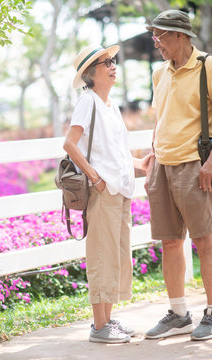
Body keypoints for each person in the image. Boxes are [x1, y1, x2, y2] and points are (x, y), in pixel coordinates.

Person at [144, 9, 212, 341]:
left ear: (179, 35)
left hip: (194, 165)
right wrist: (152, 157)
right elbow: (162, 119)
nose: (156, 43)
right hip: (163, 166)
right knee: (170, 242)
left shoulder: (207, 65)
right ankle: (179, 313)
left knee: (202, 238)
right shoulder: (160, 74)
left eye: (161, 36)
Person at [64, 44, 152, 343]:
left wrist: (139, 164)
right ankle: (99, 326)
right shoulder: (87, 102)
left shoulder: (110, 104)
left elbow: (114, 151)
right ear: (91, 74)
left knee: (116, 256)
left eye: (113, 61)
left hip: (121, 190)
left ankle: (108, 321)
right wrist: (96, 179)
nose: (113, 66)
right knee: (102, 256)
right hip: (104, 192)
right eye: (105, 63)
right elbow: (70, 145)